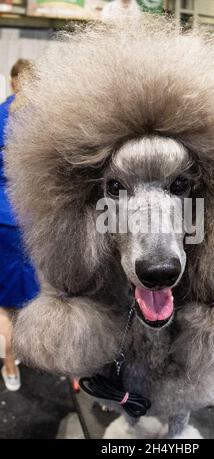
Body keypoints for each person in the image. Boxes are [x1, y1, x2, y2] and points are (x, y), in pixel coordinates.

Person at [0, 59, 39, 391]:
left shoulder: (1, 115)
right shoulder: (43, 120)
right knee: (34, 295)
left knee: (6, 301)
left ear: (13, 82)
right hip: (36, 220)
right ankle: (25, 353)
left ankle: (10, 364)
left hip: (5, 219)